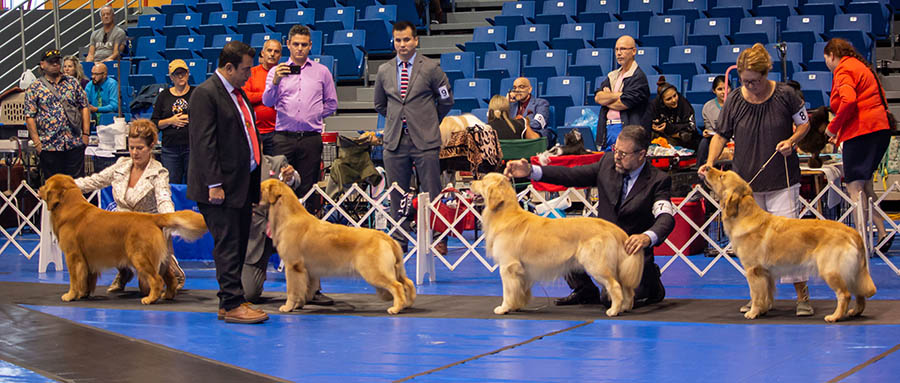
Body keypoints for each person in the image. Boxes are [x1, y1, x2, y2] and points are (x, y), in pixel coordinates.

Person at [698, 43, 814, 316]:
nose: (749, 85)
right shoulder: (736, 99)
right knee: (752, 251)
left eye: (755, 80)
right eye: (745, 80)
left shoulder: (787, 95)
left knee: (789, 242)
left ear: (766, 74)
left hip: (781, 179)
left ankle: (802, 297)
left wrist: (792, 141)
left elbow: (805, 123)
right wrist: (711, 162)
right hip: (744, 187)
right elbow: (721, 134)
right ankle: (760, 299)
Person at [504, 125, 674, 308]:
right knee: (564, 240)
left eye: (623, 154)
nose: (617, 156)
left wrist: (647, 237)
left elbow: (666, 218)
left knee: (610, 299)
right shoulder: (607, 163)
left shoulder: (658, 180)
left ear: (641, 154)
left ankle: (652, 283)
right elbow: (571, 175)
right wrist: (531, 171)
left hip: (630, 253)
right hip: (600, 246)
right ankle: (584, 289)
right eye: (616, 150)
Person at [188, 41, 268, 324]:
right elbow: (204, 143)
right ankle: (233, 303)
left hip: (242, 183)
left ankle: (230, 300)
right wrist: (214, 185)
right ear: (229, 67)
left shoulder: (238, 94)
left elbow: (248, 138)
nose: (250, 74)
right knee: (228, 244)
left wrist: (254, 185)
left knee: (238, 242)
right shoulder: (205, 94)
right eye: (246, 69)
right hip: (220, 187)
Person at [74, 119, 186, 294]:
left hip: (146, 232)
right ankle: (124, 271)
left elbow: (164, 199)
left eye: (139, 148)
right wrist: (65, 185)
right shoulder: (121, 166)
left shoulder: (158, 172)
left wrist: (168, 219)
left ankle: (170, 266)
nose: (134, 153)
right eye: (131, 147)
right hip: (120, 231)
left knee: (146, 288)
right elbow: (94, 181)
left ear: (151, 147)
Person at [373, 20, 454, 252]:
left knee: (432, 191)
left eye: (406, 39)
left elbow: (446, 99)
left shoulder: (431, 68)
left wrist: (429, 119)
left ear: (416, 40)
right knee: (397, 192)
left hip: (425, 140)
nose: (402, 44)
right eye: (398, 40)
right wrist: (398, 118)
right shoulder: (384, 70)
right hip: (395, 141)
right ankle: (400, 239)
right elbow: (380, 104)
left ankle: (438, 237)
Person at [823, 38, 895, 252]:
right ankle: (882, 232)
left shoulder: (843, 69)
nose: (826, 64)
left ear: (832, 55)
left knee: (854, 188)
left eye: (826, 59)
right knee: (865, 186)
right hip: (879, 128)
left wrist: (833, 128)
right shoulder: (861, 66)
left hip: (863, 131)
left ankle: (860, 245)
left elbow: (849, 102)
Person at [263, 25, 337, 213]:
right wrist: (275, 82)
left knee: (308, 188)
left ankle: (307, 233)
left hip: (310, 137)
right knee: (281, 187)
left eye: (304, 44)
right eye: (295, 44)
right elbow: (267, 101)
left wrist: (313, 115)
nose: (299, 48)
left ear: (310, 45)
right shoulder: (276, 72)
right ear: (288, 44)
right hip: (283, 137)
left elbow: (332, 103)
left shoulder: (322, 72)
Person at [242, 154, 334, 305]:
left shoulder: (276, 162)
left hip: (288, 230)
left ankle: (313, 290)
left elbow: (296, 180)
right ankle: (255, 276)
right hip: (257, 234)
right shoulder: (235, 167)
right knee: (249, 294)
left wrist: (290, 178)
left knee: (307, 249)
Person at [25, 49, 90, 181]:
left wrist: (86, 134)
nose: (55, 64)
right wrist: (37, 142)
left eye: (57, 61)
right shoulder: (35, 88)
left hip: (74, 143)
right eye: (51, 62)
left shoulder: (72, 82)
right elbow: (29, 116)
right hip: (49, 146)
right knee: (54, 188)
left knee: (76, 185)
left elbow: (84, 106)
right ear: (42, 65)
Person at [594, 35, 650, 151]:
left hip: (625, 130)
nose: (619, 53)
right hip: (607, 129)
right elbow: (598, 97)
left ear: (634, 51)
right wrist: (618, 94)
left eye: (623, 49)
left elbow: (623, 104)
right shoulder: (612, 75)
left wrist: (607, 99)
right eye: (616, 49)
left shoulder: (638, 77)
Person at [151, 59, 193, 184]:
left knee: (193, 183)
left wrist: (191, 119)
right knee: (171, 184)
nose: (180, 76)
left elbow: (206, 117)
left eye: (183, 73)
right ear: (171, 77)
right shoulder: (164, 96)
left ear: (188, 73)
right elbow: (154, 123)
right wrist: (171, 121)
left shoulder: (196, 93)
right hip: (170, 148)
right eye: (177, 74)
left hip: (192, 146)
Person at [243, 39, 282, 156]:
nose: (272, 54)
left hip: (276, 132)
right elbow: (246, 97)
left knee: (274, 169)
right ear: (262, 53)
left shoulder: (284, 74)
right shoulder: (251, 73)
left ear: (280, 56)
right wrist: (268, 94)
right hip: (254, 131)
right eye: (269, 50)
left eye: (276, 51)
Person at [647, 76, 698, 150]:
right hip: (662, 136)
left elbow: (691, 126)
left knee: (686, 136)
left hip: (681, 137)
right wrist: (654, 126)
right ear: (662, 101)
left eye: (675, 95)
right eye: (669, 99)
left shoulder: (683, 103)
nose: (674, 100)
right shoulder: (654, 104)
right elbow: (649, 122)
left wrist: (668, 128)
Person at [698, 75, 727, 164]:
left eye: (726, 88)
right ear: (714, 91)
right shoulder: (708, 107)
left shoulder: (737, 105)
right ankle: (699, 170)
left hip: (733, 139)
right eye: (720, 89)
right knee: (704, 142)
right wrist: (707, 132)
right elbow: (709, 128)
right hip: (716, 138)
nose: (723, 92)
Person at [84, 62, 119, 127]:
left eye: (96, 74)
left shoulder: (112, 84)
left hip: (109, 118)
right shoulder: (90, 85)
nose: (93, 77)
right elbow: (84, 102)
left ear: (104, 75)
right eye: (92, 74)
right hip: (93, 117)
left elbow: (114, 106)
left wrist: (97, 109)